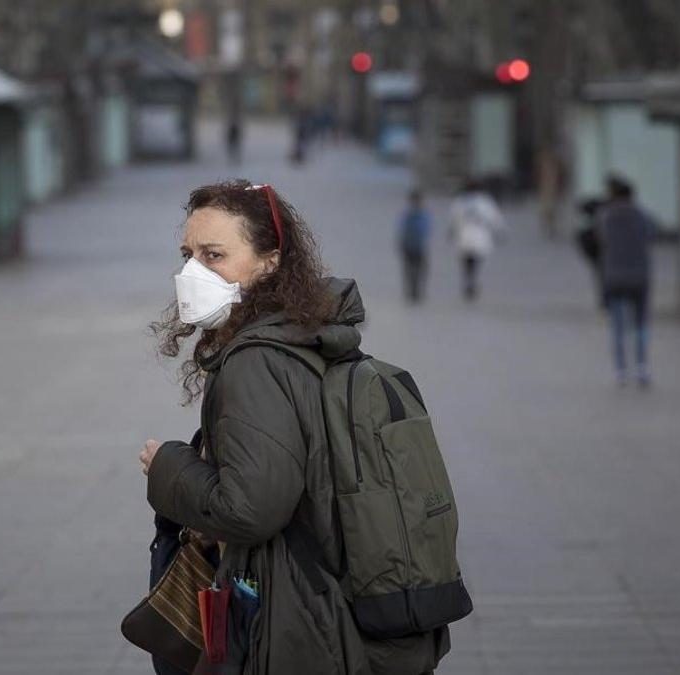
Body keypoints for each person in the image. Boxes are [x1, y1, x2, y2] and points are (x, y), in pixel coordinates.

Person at [143, 180, 450, 673]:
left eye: (214, 255)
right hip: (335, 604)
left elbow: (250, 510)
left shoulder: (256, 361)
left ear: (270, 260)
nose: (192, 271)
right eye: (187, 254)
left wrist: (168, 467)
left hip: (296, 620)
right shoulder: (308, 336)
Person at [598, 175, 655, 387]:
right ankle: (642, 367)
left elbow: (601, 239)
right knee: (640, 325)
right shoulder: (642, 216)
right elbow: (652, 234)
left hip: (615, 278)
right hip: (640, 277)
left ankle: (621, 370)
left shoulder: (606, 217)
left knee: (618, 327)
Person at [448, 179, 504, 302]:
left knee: (466, 260)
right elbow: (495, 217)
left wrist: (451, 232)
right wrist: (500, 231)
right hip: (479, 235)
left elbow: (452, 219)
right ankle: (472, 280)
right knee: (475, 260)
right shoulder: (485, 202)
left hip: (464, 235)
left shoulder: (459, 201)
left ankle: (469, 279)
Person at [397, 188, 432, 303]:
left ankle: (413, 291)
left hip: (411, 245)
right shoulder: (423, 214)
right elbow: (427, 230)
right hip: (416, 246)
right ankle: (414, 291)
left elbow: (401, 230)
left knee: (412, 270)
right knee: (416, 270)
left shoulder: (406, 214)